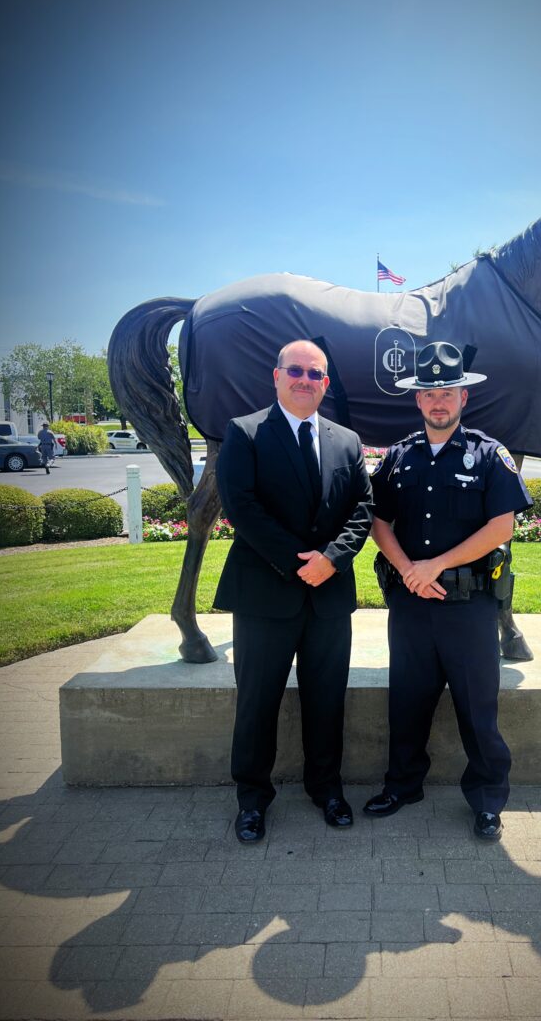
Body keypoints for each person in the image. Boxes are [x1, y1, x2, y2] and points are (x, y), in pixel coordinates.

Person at [364, 341, 532, 840]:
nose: (439, 401)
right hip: (412, 605)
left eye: (448, 392)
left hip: (469, 607)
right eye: (429, 392)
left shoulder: (488, 454)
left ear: (464, 398)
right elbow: (377, 521)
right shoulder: (397, 458)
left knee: (478, 706)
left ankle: (486, 800)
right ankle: (403, 784)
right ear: (418, 400)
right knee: (407, 701)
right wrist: (409, 570)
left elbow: (503, 526)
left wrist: (434, 564)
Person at [215, 339, 373, 843]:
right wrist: (296, 561)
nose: (306, 380)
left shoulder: (347, 441)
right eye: (296, 371)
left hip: (329, 595)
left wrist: (331, 559)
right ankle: (252, 800)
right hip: (265, 594)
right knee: (257, 702)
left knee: (327, 700)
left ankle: (326, 789)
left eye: (316, 373)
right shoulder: (245, 433)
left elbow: (362, 509)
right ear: (277, 376)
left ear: (326, 383)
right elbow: (241, 506)